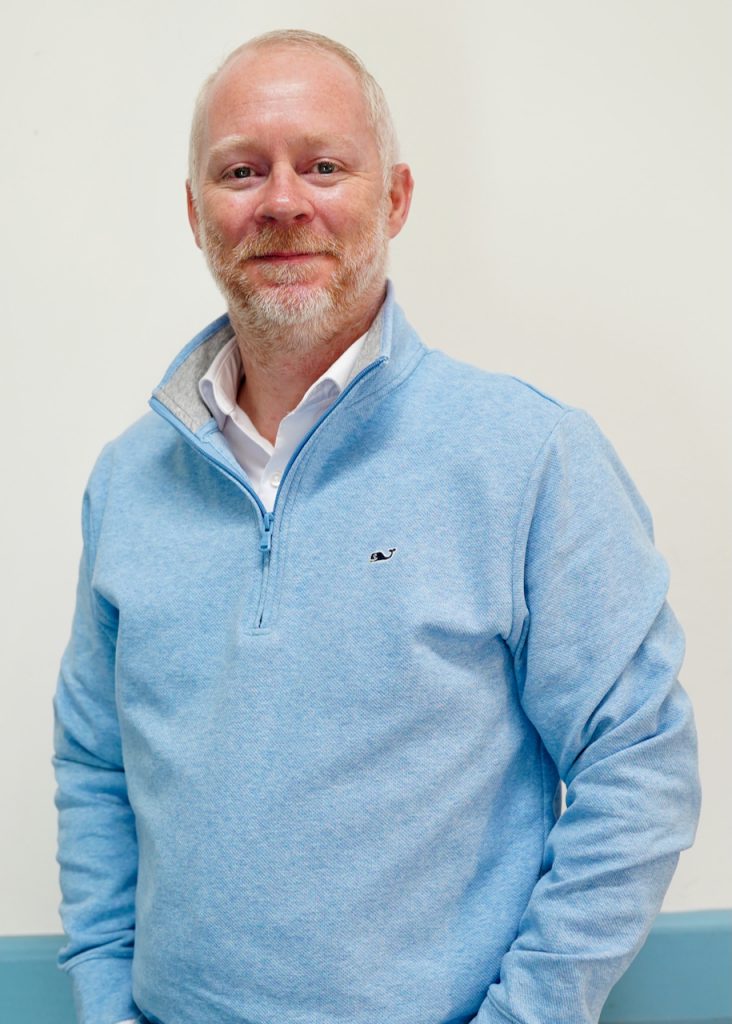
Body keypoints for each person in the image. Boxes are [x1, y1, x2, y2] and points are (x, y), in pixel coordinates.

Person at [52, 29, 701, 1024]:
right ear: (194, 212)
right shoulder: (127, 483)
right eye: (240, 170)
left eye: (322, 164)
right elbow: (95, 768)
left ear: (394, 197)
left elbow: (640, 764)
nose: (281, 201)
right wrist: (104, 997)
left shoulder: (530, 456)